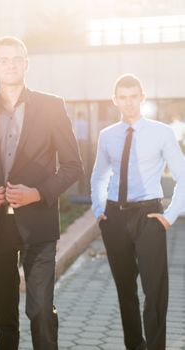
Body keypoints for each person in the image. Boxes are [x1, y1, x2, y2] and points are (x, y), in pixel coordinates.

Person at [0, 36, 83, 350]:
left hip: (40, 225)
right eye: (3, 59)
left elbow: (73, 166)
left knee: (40, 310)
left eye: (16, 58)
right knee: (4, 316)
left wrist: (38, 193)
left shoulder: (52, 106)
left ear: (26, 64)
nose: (10, 64)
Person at [90, 74, 185, 350]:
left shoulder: (161, 132)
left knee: (154, 290)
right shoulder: (107, 136)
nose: (129, 103)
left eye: (134, 97)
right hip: (114, 218)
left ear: (142, 98)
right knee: (125, 290)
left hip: (149, 217)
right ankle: (134, 345)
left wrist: (169, 217)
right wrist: (99, 211)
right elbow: (98, 177)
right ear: (115, 100)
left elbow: (182, 175)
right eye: (123, 97)